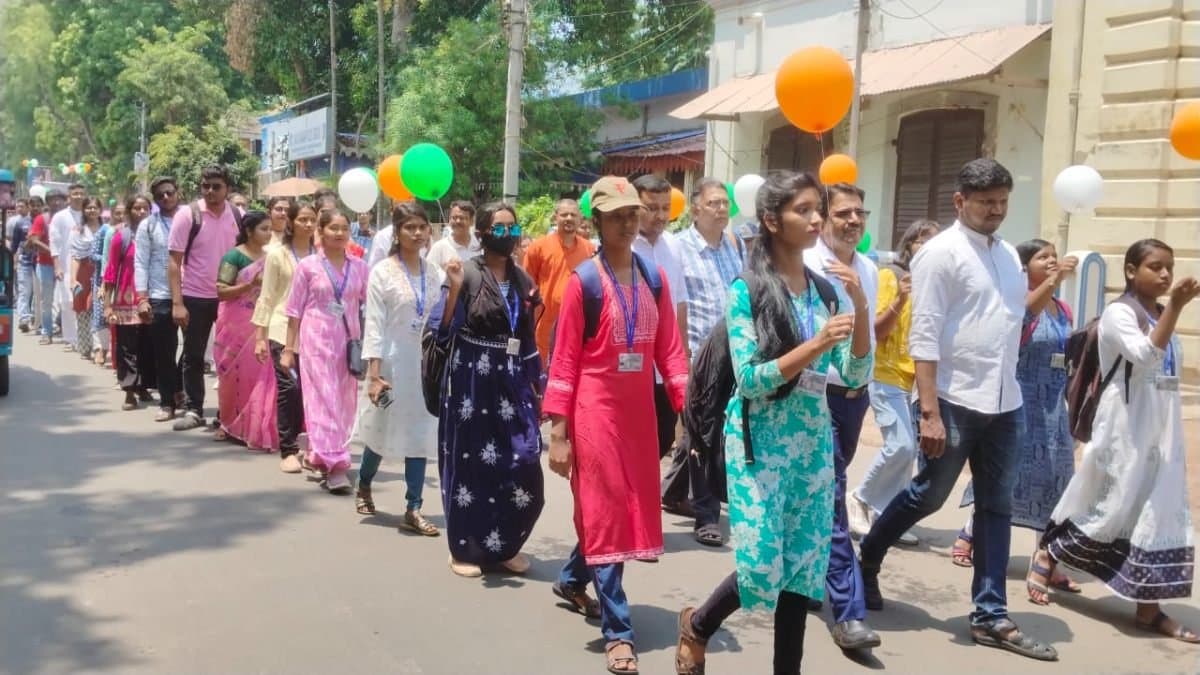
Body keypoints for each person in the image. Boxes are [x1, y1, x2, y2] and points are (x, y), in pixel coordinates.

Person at [859, 158, 1057, 661]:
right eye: (986, 202)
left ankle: (990, 614)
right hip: (951, 398)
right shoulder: (940, 254)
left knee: (997, 504)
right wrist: (928, 412)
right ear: (959, 202)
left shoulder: (1009, 254)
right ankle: (867, 557)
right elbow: (924, 336)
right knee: (928, 495)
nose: (995, 211)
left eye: (1002, 202)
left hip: (1004, 399)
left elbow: (1011, 317)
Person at [674, 171, 872, 675]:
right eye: (802, 210)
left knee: (801, 577)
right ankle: (698, 625)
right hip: (759, 446)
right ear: (771, 220)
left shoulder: (827, 292)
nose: (815, 220)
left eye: (817, 210)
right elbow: (752, 378)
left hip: (811, 447)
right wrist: (817, 345)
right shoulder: (749, 289)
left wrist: (862, 309)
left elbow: (852, 375)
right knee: (762, 568)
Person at [544, 176, 689, 675]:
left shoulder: (654, 279)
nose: (628, 223)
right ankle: (618, 631)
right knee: (605, 512)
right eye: (617, 217)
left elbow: (670, 348)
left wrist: (685, 405)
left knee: (619, 511)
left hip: (638, 416)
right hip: (594, 414)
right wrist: (558, 435)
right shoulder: (583, 282)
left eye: (634, 214)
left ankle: (570, 578)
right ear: (598, 223)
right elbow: (563, 364)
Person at [1041, 240, 1200, 642]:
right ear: (1131, 271)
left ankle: (1149, 610)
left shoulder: (1159, 312)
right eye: (1155, 267)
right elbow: (1146, 357)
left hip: (1161, 432)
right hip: (1125, 430)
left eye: (1169, 267)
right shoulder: (1119, 313)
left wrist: (1172, 309)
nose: (1165, 275)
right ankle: (1049, 554)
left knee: (1160, 514)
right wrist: (1179, 307)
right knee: (1111, 508)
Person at [954, 240, 1082, 597]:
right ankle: (970, 531)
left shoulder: (1063, 309)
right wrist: (1052, 283)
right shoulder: (1018, 301)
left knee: (1058, 477)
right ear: (1025, 268)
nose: (1053, 262)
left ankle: (1049, 559)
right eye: (1044, 258)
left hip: (1054, 402)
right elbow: (1024, 319)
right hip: (1020, 398)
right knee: (1009, 475)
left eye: (1055, 257)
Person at [427, 202, 544, 578]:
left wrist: (538, 387)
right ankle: (463, 547)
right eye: (500, 229)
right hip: (471, 384)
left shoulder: (524, 281)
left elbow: (527, 338)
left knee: (522, 462)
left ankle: (505, 544)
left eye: (513, 229)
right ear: (482, 233)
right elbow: (441, 329)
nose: (507, 236)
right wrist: (454, 289)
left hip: (511, 384)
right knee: (470, 466)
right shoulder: (467, 273)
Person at [798, 182, 881, 648]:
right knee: (833, 501)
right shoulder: (805, 265)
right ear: (823, 220)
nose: (853, 221)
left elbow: (869, 340)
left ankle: (805, 577)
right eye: (843, 214)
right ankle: (848, 613)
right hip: (813, 397)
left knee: (820, 495)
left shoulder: (867, 267)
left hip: (855, 395)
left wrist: (863, 301)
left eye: (860, 213)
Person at [663, 177, 746, 547]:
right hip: (696, 356)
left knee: (704, 432)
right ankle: (707, 514)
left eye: (725, 203)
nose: (721, 209)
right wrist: (679, 359)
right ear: (695, 208)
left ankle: (672, 490)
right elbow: (674, 304)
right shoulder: (678, 248)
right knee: (708, 434)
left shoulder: (734, 244)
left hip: (733, 354)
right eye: (713, 203)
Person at [353, 202, 443, 535]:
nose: (417, 233)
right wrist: (374, 374)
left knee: (419, 434)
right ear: (397, 232)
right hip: (390, 363)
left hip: (423, 366)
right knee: (381, 430)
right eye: (409, 227)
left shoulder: (434, 272)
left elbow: (440, 319)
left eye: (422, 226)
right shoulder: (383, 272)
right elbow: (374, 324)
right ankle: (364, 484)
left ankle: (413, 507)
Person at [848, 220, 941, 541]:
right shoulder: (892, 276)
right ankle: (861, 497)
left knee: (909, 448)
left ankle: (887, 516)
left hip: (913, 379)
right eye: (922, 241)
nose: (928, 248)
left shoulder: (932, 285)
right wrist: (899, 300)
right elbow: (874, 330)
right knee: (901, 445)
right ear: (909, 244)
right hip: (884, 371)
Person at [280, 209, 368, 493]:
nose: (339, 233)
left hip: (348, 343)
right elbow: (293, 311)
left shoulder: (359, 267)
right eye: (333, 228)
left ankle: (321, 449)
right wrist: (288, 349)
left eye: (344, 228)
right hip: (315, 342)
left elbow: (371, 307)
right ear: (321, 231)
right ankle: (335, 467)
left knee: (344, 404)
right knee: (323, 401)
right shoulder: (307, 267)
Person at [169, 165, 240, 431]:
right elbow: (174, 262)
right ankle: (193, 409)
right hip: (195, 296)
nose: (210, 191)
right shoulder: (188, 215)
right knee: (193, 355)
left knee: (229, 356)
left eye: (216, 186)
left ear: (227, 188)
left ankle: (229, 412)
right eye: (205, 186)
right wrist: (177, 303)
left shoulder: (237, 215)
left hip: (228, 298)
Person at [253, 201, 319, 473]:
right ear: (291, 222)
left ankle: (313, 446)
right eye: (302, 219)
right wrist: (260, 336)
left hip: (316, 332)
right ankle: (288, 448)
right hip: (282, 330)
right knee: (289, 389)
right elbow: (267, 297)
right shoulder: (278, 255)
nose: (307, 224)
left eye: (312, 219)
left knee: (313, 391)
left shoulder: (322, 255)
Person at [631, 175, 690, 459]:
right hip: (628, 367)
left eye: (665, 208)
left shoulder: (674, 246)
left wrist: (683, 362)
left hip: (664, 368)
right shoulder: (622, 248)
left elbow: (679, 304)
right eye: (651, 208)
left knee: (662, 437)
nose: (661, 216)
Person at [213, 211, 278, 451]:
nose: (269, 233)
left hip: (261, 325)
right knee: (230, 376)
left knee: (258, 376)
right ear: (249, 231)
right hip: (234, 324)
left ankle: (255, 426)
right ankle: (227, 423)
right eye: (264, 229)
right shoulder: (234, 256)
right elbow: (221, 291)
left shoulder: (272, 257)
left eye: (271, 228)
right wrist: (249, 285)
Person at [524, 199, 595, 364]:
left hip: (578, 324)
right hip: (544, 324)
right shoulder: (538, 247)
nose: (569, 218)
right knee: (541, 377)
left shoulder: (589, 250)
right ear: (555, 217)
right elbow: (527, 285)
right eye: (564, 214)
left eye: (573, 214)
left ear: (579, 218)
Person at [136, 177, 184, 422]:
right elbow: (140, 262)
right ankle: (167, 403)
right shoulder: (147, 225)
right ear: (155, 200)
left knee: (195, 351)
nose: (166, 197)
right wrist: (142, 298)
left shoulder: (191, 219)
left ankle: (182, 390)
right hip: (159, 295)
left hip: (191, 292)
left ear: (178, 192)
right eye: (160, 195)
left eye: (169, 192)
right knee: (165, 352)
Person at [103, 195, 156, 410]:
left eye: (145, 208)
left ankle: (143, 386)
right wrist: (108, 305)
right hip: (126, 301)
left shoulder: (156, 235)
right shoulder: (121, 237)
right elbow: (111, 271)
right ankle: (128, 390)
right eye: (137, 208)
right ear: (130, 211)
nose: (141, 212)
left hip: (151, 298)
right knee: (127, 348)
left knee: (148, 345)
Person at [51, 183, 87, 348]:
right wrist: (57, 266)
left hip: (86, 267)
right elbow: (55, 243)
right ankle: (70, 338)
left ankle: (83, 339)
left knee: (84, 303)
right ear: (69, 197)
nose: (78, 196)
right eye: (75, 194)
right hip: (66, 267)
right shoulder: (60, 217)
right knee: (67, 303)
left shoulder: (89, 214)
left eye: (81, 193)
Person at [68, 197, 103, 356]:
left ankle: (99, 347)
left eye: (95, 207)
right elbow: (75, 256)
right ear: (84, 210)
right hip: (83, 271)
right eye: (88, 208)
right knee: (83, 309)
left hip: (102, 271)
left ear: (100, 210)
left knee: (97, 307)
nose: (92, 210)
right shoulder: (77, 230)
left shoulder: (107, 229)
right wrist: (73, 279)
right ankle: (85, 347)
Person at [30, 189, 67, 343]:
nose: (56, 202)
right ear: (48, 202)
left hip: (65, 264)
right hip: (45, 265)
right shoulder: (41, 219)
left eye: (59, 199)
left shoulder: (68, 218)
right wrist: (52, 251)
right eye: (52, 199)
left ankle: (66, 330)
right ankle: (47, 331)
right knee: (47, 299)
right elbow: (34, 240)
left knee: (67, 298)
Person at [425, 200, 480, 270]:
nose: (457, 221)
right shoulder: (439, 247)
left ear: (472, 221)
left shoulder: (480, 246)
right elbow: (428, 274)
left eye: (462, 218)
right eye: (454, 218)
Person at [11, 198, 37, 333]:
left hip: (39, 262)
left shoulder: (43, 221)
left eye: (37, 205)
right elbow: (14, 245)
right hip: (24, 262)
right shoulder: (21, 223)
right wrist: (14, 261)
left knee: (37, 292)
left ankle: (34, 316)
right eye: (32, 205)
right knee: (24, 291)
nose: (34, 208)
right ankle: (24, 319)